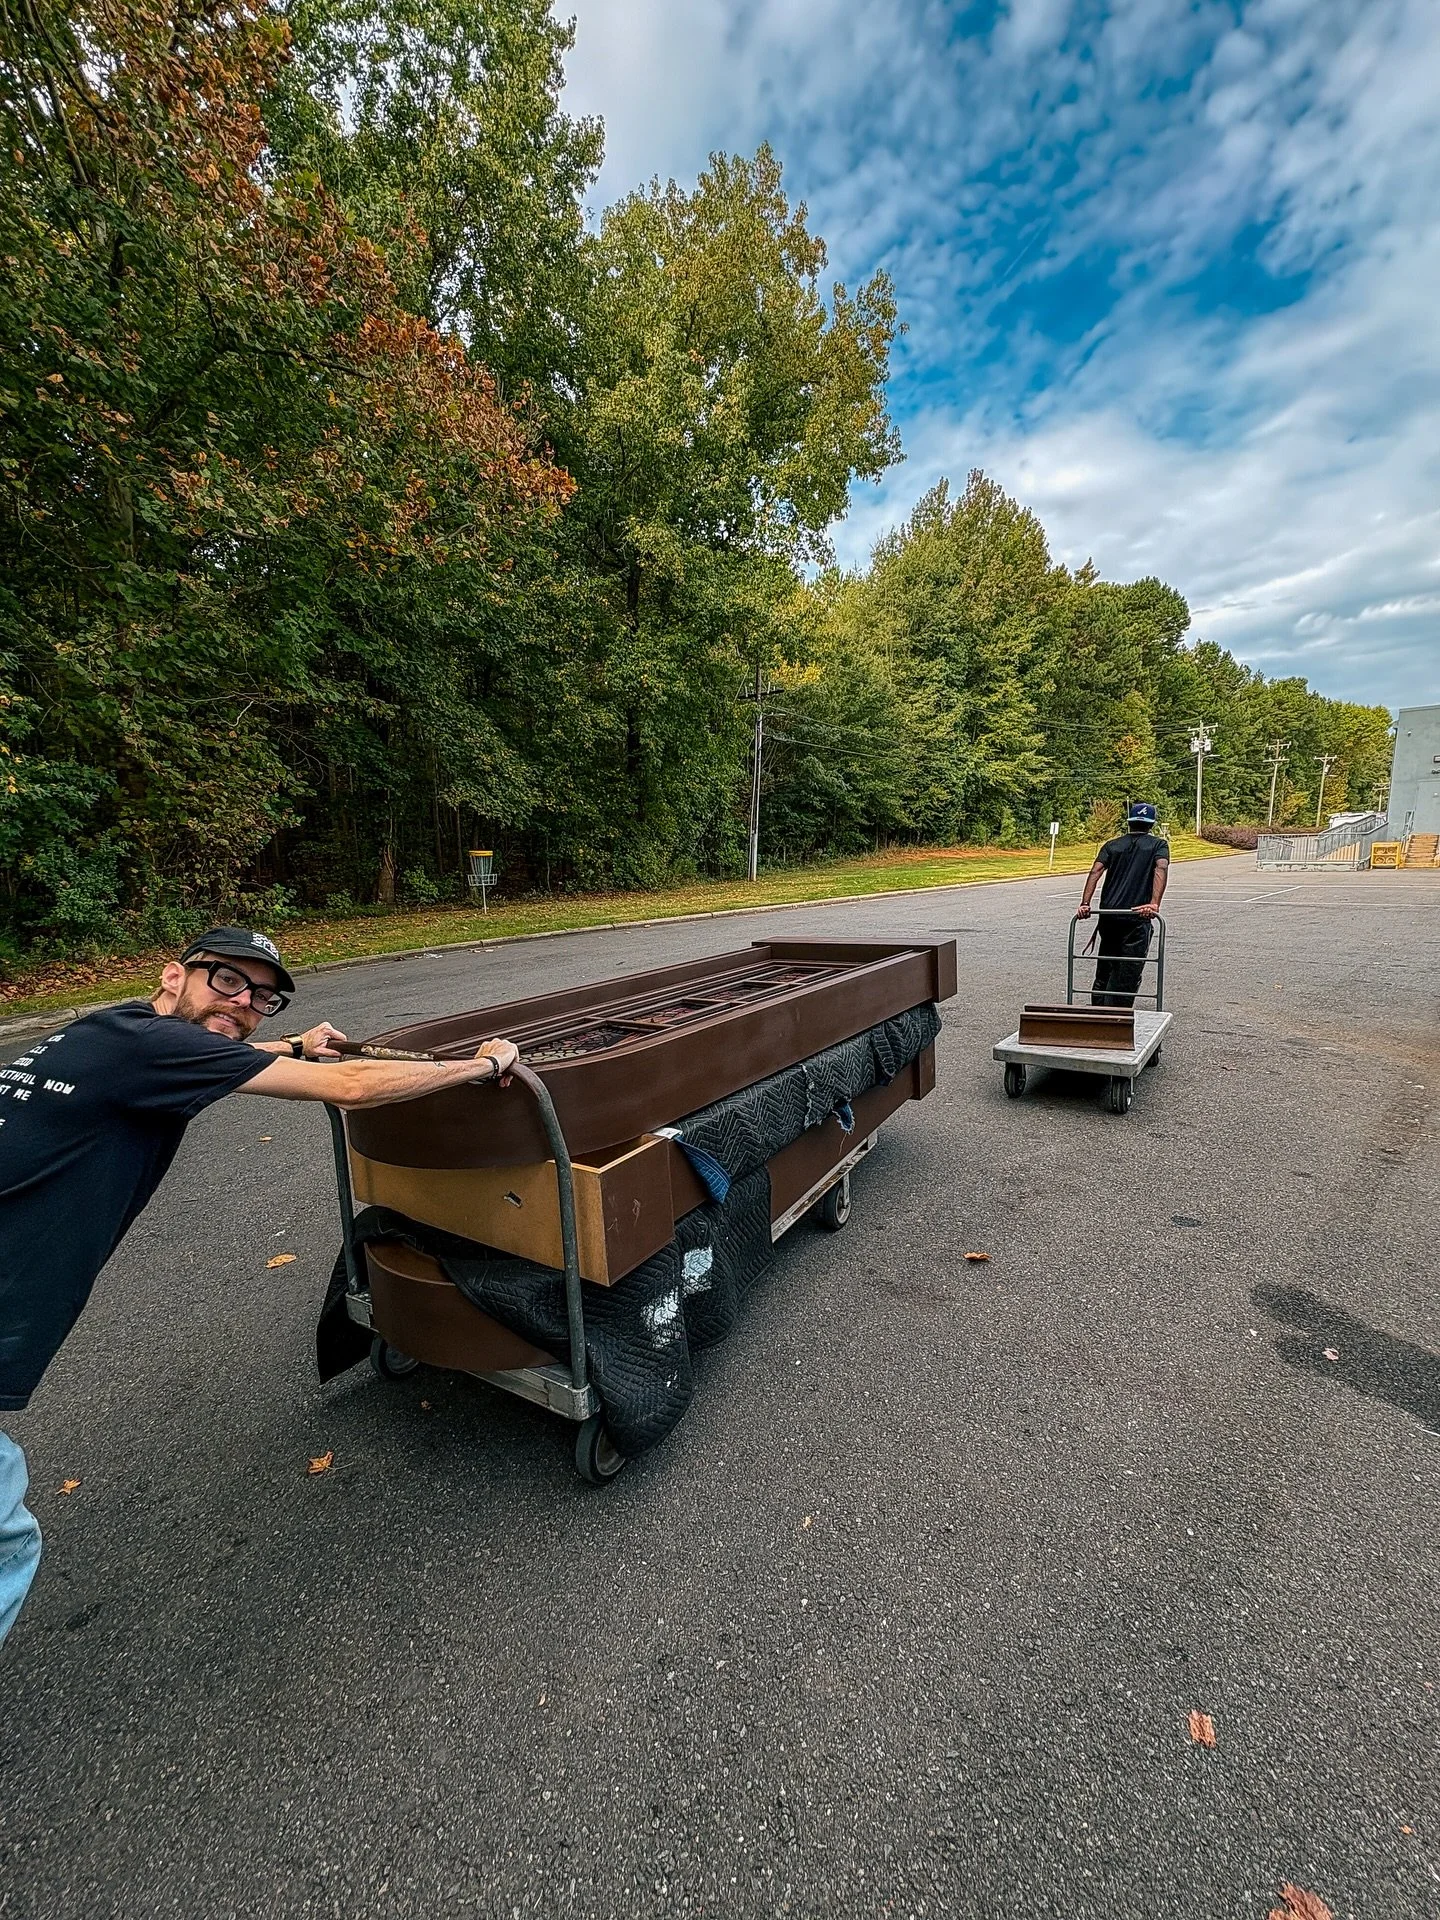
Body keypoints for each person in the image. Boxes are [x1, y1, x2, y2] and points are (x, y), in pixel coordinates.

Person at [0, 926, 518, 1647]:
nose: (244, 1003)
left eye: (262, 998)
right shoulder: (155, 1047)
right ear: (175, 975)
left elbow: (218, 1057)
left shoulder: (116, 1032)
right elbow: (352, 1088)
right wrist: (479, 1065)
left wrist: (293, 1046)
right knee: (7, 1545)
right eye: (227, 981)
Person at [1076, 803, 1169, 1006]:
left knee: (1105, 968)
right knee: (1128, 970)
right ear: (1151, 824)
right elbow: (1160, 868)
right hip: (1137, 916)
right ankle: (1118, 1015)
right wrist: (1154, 904)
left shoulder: (1112, 845)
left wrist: (1085, 903)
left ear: (1129, 822)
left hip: (1109, 915)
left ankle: (1098, 1011)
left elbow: (1095, 871)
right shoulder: (1158, 845)